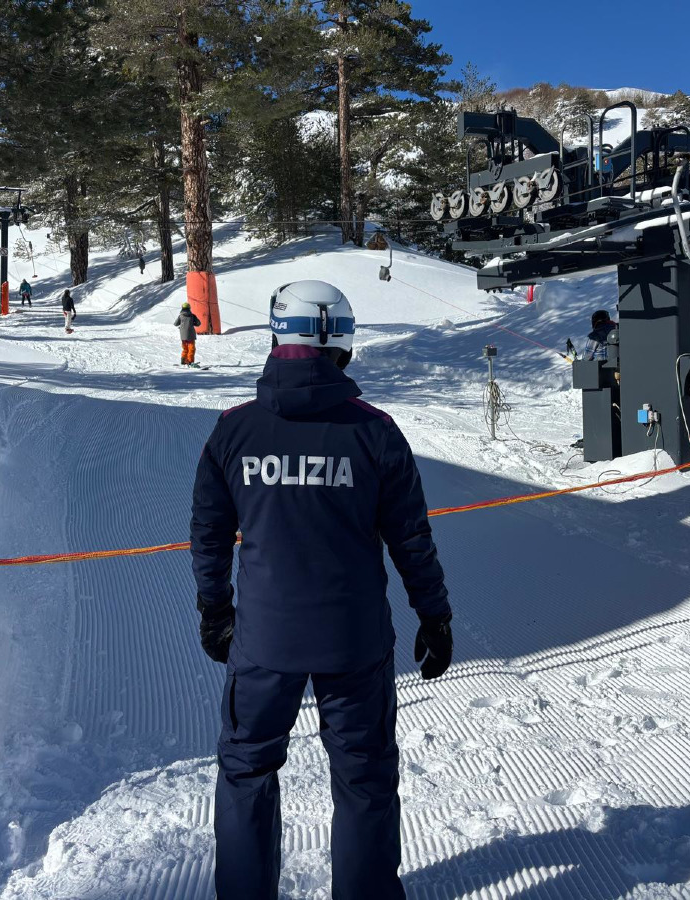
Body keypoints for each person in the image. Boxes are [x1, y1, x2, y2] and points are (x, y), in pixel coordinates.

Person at [190, 280, 451, 900]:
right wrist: (434, 616)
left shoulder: (234, 433)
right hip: (352, 642)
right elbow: (410, 537)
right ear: (337, 340)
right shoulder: (375, 433)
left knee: (247, 772)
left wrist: (214, 609)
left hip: (265, 641)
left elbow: (207, 532)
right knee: (363, 780)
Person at [175, 301, 201, 367]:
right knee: (191, 348)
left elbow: (176, 324)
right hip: (191, 335)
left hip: (183, 336)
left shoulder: (180, 316)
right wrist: (193, 323)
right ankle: (190, 361)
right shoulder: (192, 316)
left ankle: (183, 360)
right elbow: (198, 323)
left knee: (185, 348)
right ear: (189, 308)